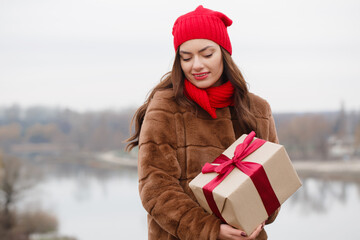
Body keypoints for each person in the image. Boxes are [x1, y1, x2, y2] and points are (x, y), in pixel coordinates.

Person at [126, 5, 279, 240]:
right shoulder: (165, 108)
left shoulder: (257, 110)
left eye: (207, 54)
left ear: (224, 54)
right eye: (186, 57)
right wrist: (209, 230)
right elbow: (155, 189)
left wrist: (255, 218)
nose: (196, 65)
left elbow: (273, 185)